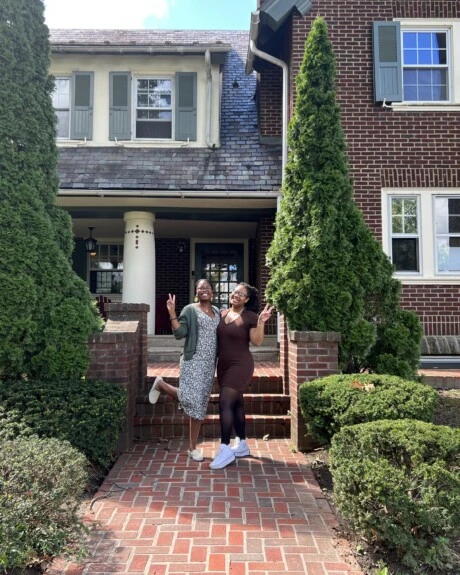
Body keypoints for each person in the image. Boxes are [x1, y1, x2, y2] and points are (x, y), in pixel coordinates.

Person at [148, 279, 220, 462]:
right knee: (191, 398)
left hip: (209, 364)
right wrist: (172, 312)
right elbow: (180, 334)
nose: (204, 290)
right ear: (196, 291)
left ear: (212, 291)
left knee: (200, 405)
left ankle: (192, 448)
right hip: (193, 360)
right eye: (200, 287)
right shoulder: (190, 309)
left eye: (207, 287)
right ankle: (162, 385)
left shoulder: (217, 311)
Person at [209, 283, 274, 470]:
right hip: (223, 366)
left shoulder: (251, 316)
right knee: (236, 403)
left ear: (246, 299)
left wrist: (261, 322)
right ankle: (242, 443)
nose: (236, 295)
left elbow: (257, 341)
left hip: (241, 365)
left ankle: (225, 448)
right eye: (235, 292)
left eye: (241, 294)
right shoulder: (221, 314)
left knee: (224, 402)